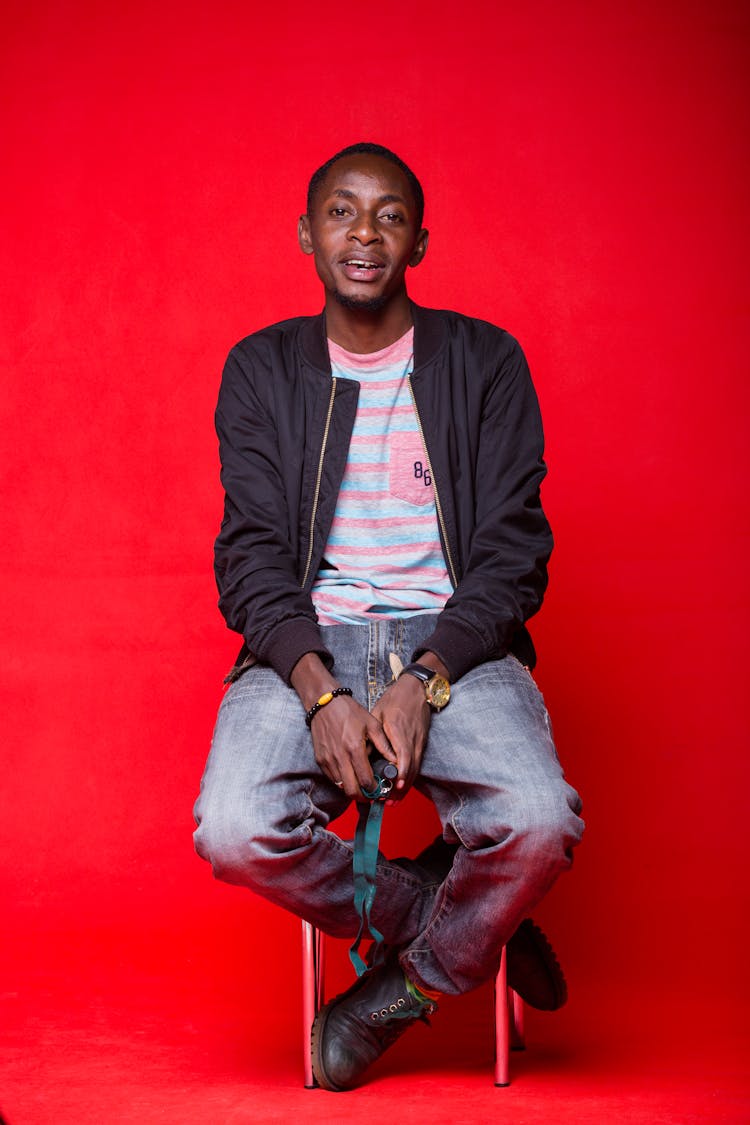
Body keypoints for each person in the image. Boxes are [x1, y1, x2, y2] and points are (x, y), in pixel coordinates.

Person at [193, 142, 584, 1091]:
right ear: (306, 233)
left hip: (453, 641)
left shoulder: (485, 363)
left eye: (389, 216)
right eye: (340, 211)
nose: (363, 234)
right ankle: (445, 912)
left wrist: (426, 675)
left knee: (538, 820)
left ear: (418, 241)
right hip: (310, 642)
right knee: (232, 827)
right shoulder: (261, 368)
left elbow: (512, 553)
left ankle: (404, 988)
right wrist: (321, 688)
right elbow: (246, 556)